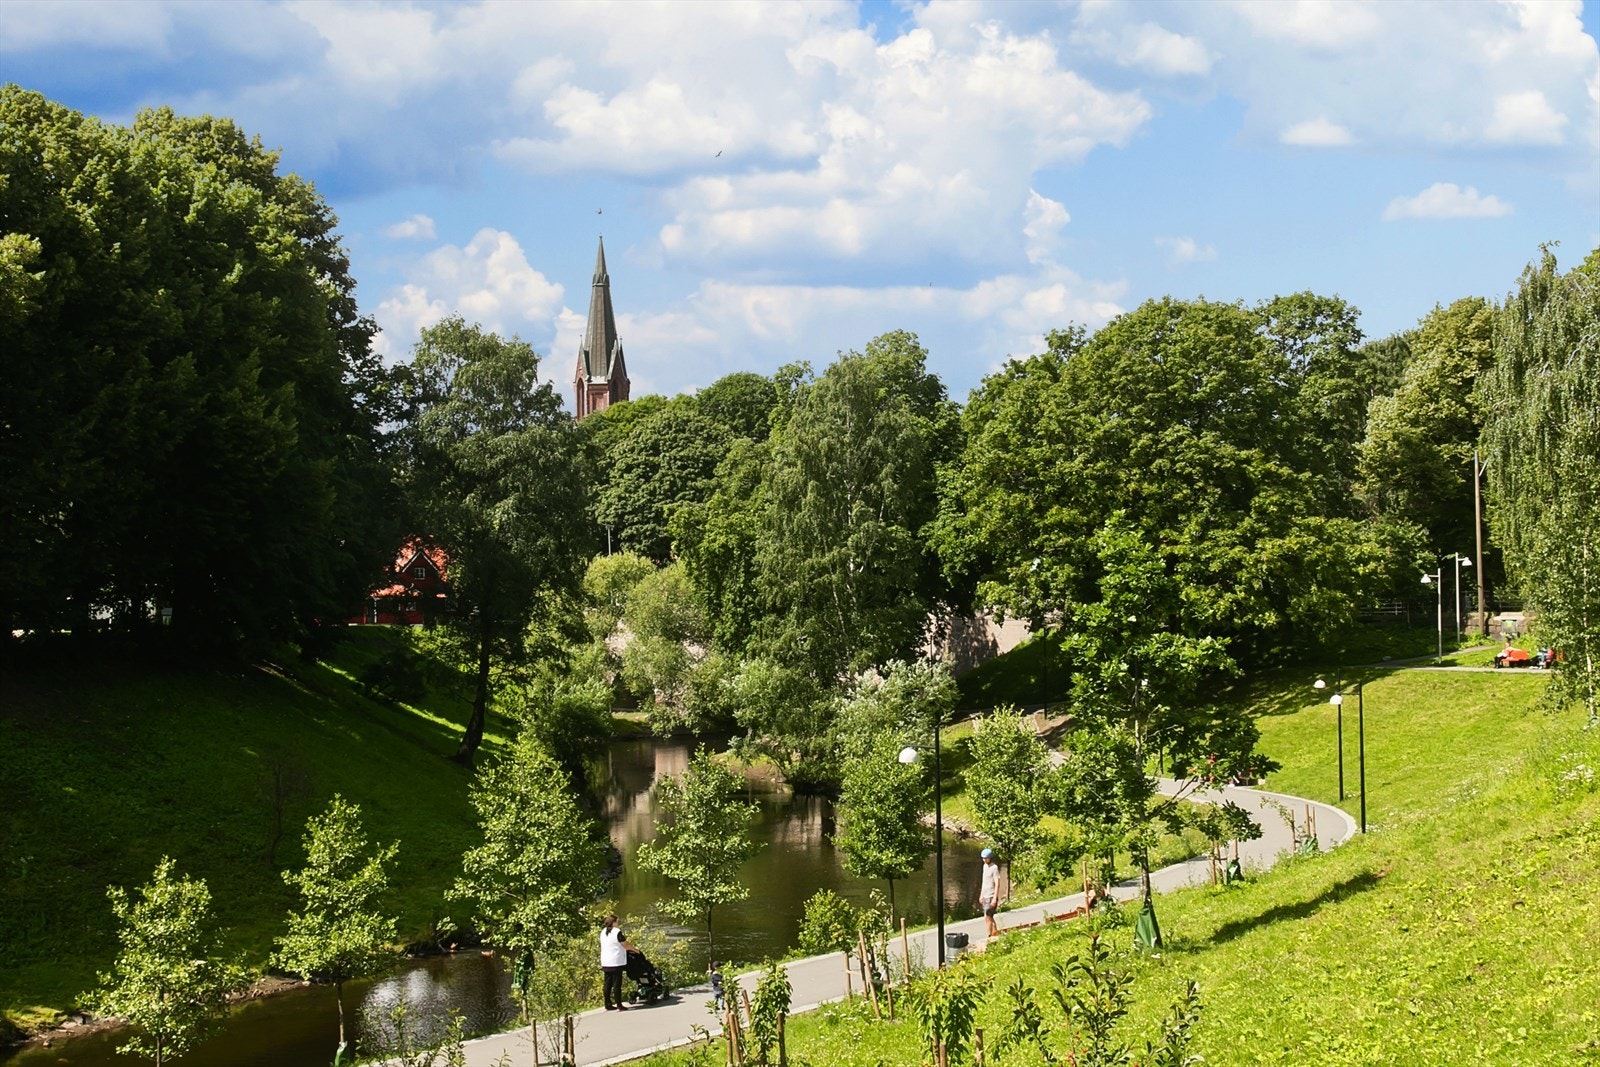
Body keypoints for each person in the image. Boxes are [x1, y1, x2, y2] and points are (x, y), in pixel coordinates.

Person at [600, 913, 636, 1011]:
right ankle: (619, 1005)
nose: (618, 923)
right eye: (617, 921)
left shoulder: (603, 932)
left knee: (607, 984)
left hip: (606, 962)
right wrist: (635, 950)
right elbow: (625, 944)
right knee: (617, 984)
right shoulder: (617, 932)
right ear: (614, 922)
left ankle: (607, 1004)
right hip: (616, 962)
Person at [979, 847, 1001, 937]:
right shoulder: (985, 866)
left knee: (988, 916)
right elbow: (984, 882)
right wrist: (981, 895)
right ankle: (995, 932)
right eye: (983, 858)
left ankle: (989, 935)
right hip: (985, 896)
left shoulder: (994, 868)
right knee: (987, 917)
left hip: (991, 896)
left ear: (990, 858)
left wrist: (995, 898)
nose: (984, 860)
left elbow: (997, 883)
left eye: (986, 858)